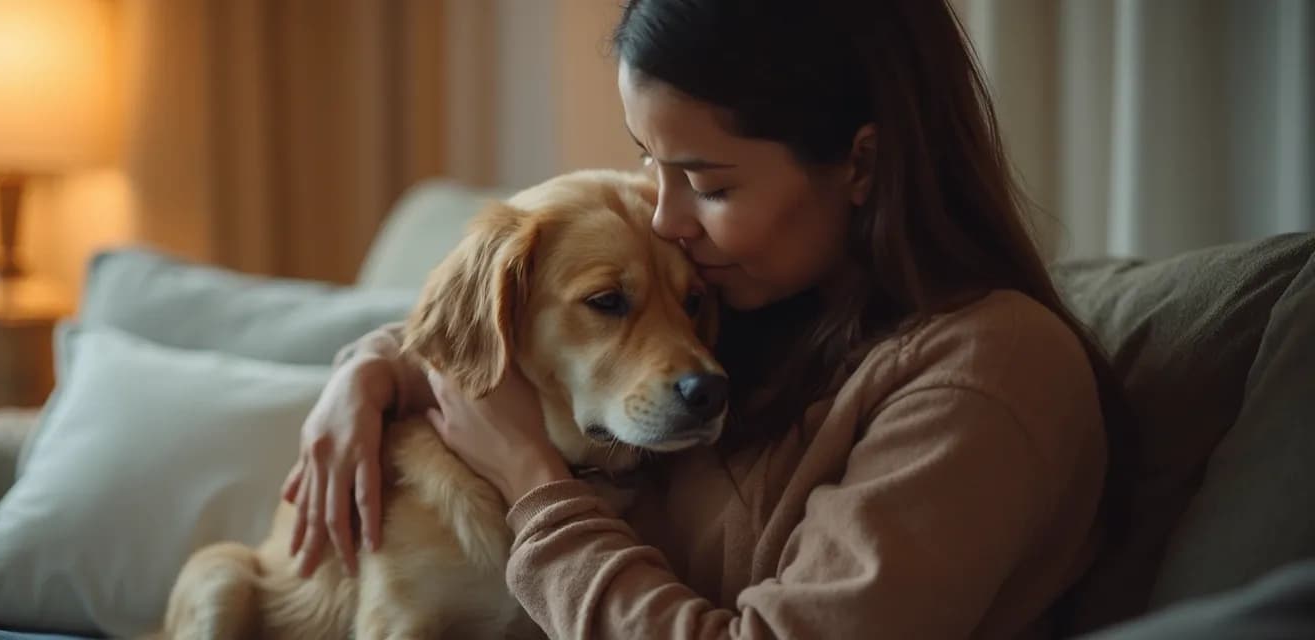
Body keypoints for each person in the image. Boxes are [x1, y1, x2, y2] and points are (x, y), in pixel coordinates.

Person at [281, 1, 1138, 638]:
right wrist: (370, 369)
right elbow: (524, 323)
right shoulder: (748, 296)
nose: (665, 221)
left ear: (862, 164)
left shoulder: (985, 378)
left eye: (712, 184)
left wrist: (531, 482)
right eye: (649, 165)